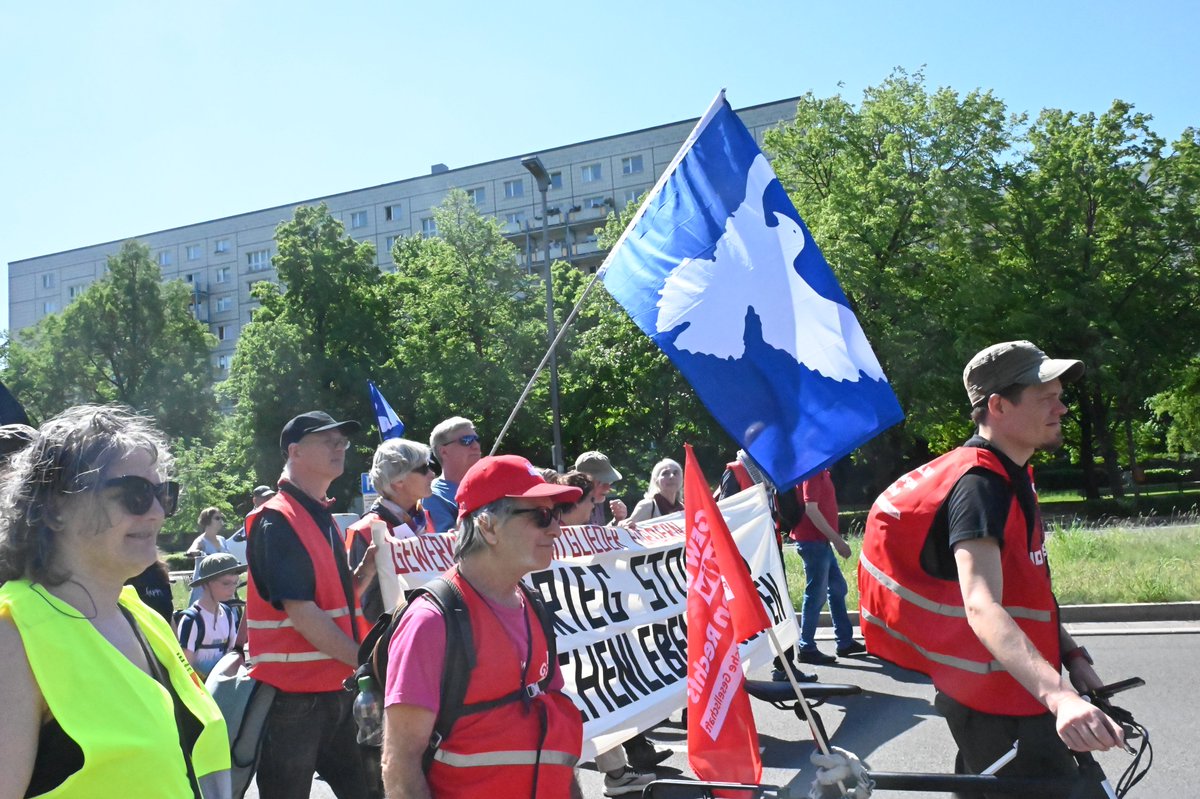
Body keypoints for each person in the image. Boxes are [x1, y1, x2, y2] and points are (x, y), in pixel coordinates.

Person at [860, 340, 1125, 795]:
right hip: (1002, 708)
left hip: (1016, 694)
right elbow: (982, 604)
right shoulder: (980, 487)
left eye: (1060, 396)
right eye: (1047, 398)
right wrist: (1059, 696)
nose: (1062, 408)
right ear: (999, 406)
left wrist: (1071, 656)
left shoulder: (1010, 474)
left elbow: (1029, 587)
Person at [0, 404, 230, 798]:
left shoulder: (144, 618)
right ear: (55, 509)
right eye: (135, 495)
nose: (158, 512)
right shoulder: (14, 634)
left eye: (164, 494)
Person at [381, 455, 585, 799]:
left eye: (557, 514)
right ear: (488, 527)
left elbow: (554, 734)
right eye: (541, 515)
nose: (555, 528)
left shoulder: (533, 605)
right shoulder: (430, 623)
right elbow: (399, 764)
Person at [245, 410, 369, 799]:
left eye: (342, 440)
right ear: (295, 451)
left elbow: (329, 602)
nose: (339, 446)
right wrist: (368, 662)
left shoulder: (318, 513)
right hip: (294, 702)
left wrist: (362, 577)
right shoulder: (277, 518)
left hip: (333, 691)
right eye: (327, 439)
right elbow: (303, 614)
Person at [555, 472, 657, 796]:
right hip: (563, 640)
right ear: (576, 501)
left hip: (582, 635)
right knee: (571, 708)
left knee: (595, 700)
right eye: (589, 501)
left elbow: (596, 554)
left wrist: (618, 531)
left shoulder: (576, 532)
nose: (593, 506)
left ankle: (616, 772)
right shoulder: (549, 535)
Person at [720, 450, 818, 683]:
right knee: (739, 611)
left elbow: (793, 516)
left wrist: (782, 487)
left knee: (779, 608)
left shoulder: (774, 473)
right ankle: (728, 671)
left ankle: (784, 667)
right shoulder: (735, 470)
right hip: (745, 556)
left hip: (771, 550)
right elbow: (725, 514)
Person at [347, 437, 437, 624]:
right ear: (398, 481)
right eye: (423, 469)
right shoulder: (365, 530)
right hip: (386, 643)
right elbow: (360, 605)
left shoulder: (425, 519)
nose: (432, 474)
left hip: (429, 632)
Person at [789, 468, 865, 665]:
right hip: (813, 542)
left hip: (819, 542)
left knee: (838, 588)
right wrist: (838, 541)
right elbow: (811, 509)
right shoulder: (811, 472)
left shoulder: (820, 470)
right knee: (816, 595)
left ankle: (845, 642)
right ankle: (806, 647)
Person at [177, 553, 247, 680]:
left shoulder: (228, 614)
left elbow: (231, 657)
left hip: (221, 688)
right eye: (226, 583)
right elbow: (186, 669)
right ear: (205, 584)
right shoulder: (192, 620)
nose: (232, 589)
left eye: (235, 583)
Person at [425, 417, 482, 532]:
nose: (476, 445)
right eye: (466, 440)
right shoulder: (432, 495)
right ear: (444, 451)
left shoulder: (492, 484)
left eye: (477, 439)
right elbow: (449, 546)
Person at [186, 507, 230, 604]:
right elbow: (192, 550)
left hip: (221, 582)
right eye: (217, 518)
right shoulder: (201, 540)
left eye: (221, 518)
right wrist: (196, 552)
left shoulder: (222, 539)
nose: (221, 521)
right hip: (205, 583)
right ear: (207, 520)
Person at [574, 450, 628, 527]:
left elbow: (597, 535)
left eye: (609, 481)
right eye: (602, 482)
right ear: (583, 481)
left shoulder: (596, 502)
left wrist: (616, 521)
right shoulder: (569, 508)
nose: (608, 488)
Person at [625, 458, 684, 524]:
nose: (672, 476)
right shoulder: (648, 506)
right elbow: (630, 531)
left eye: (676, 473)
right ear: (656, 480)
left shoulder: (684, 509)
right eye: (665, 473)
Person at [127, 554, 176, 624]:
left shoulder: (159, 572)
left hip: (163, 632)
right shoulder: (122, 577)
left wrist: (174, 635)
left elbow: (170, 616)